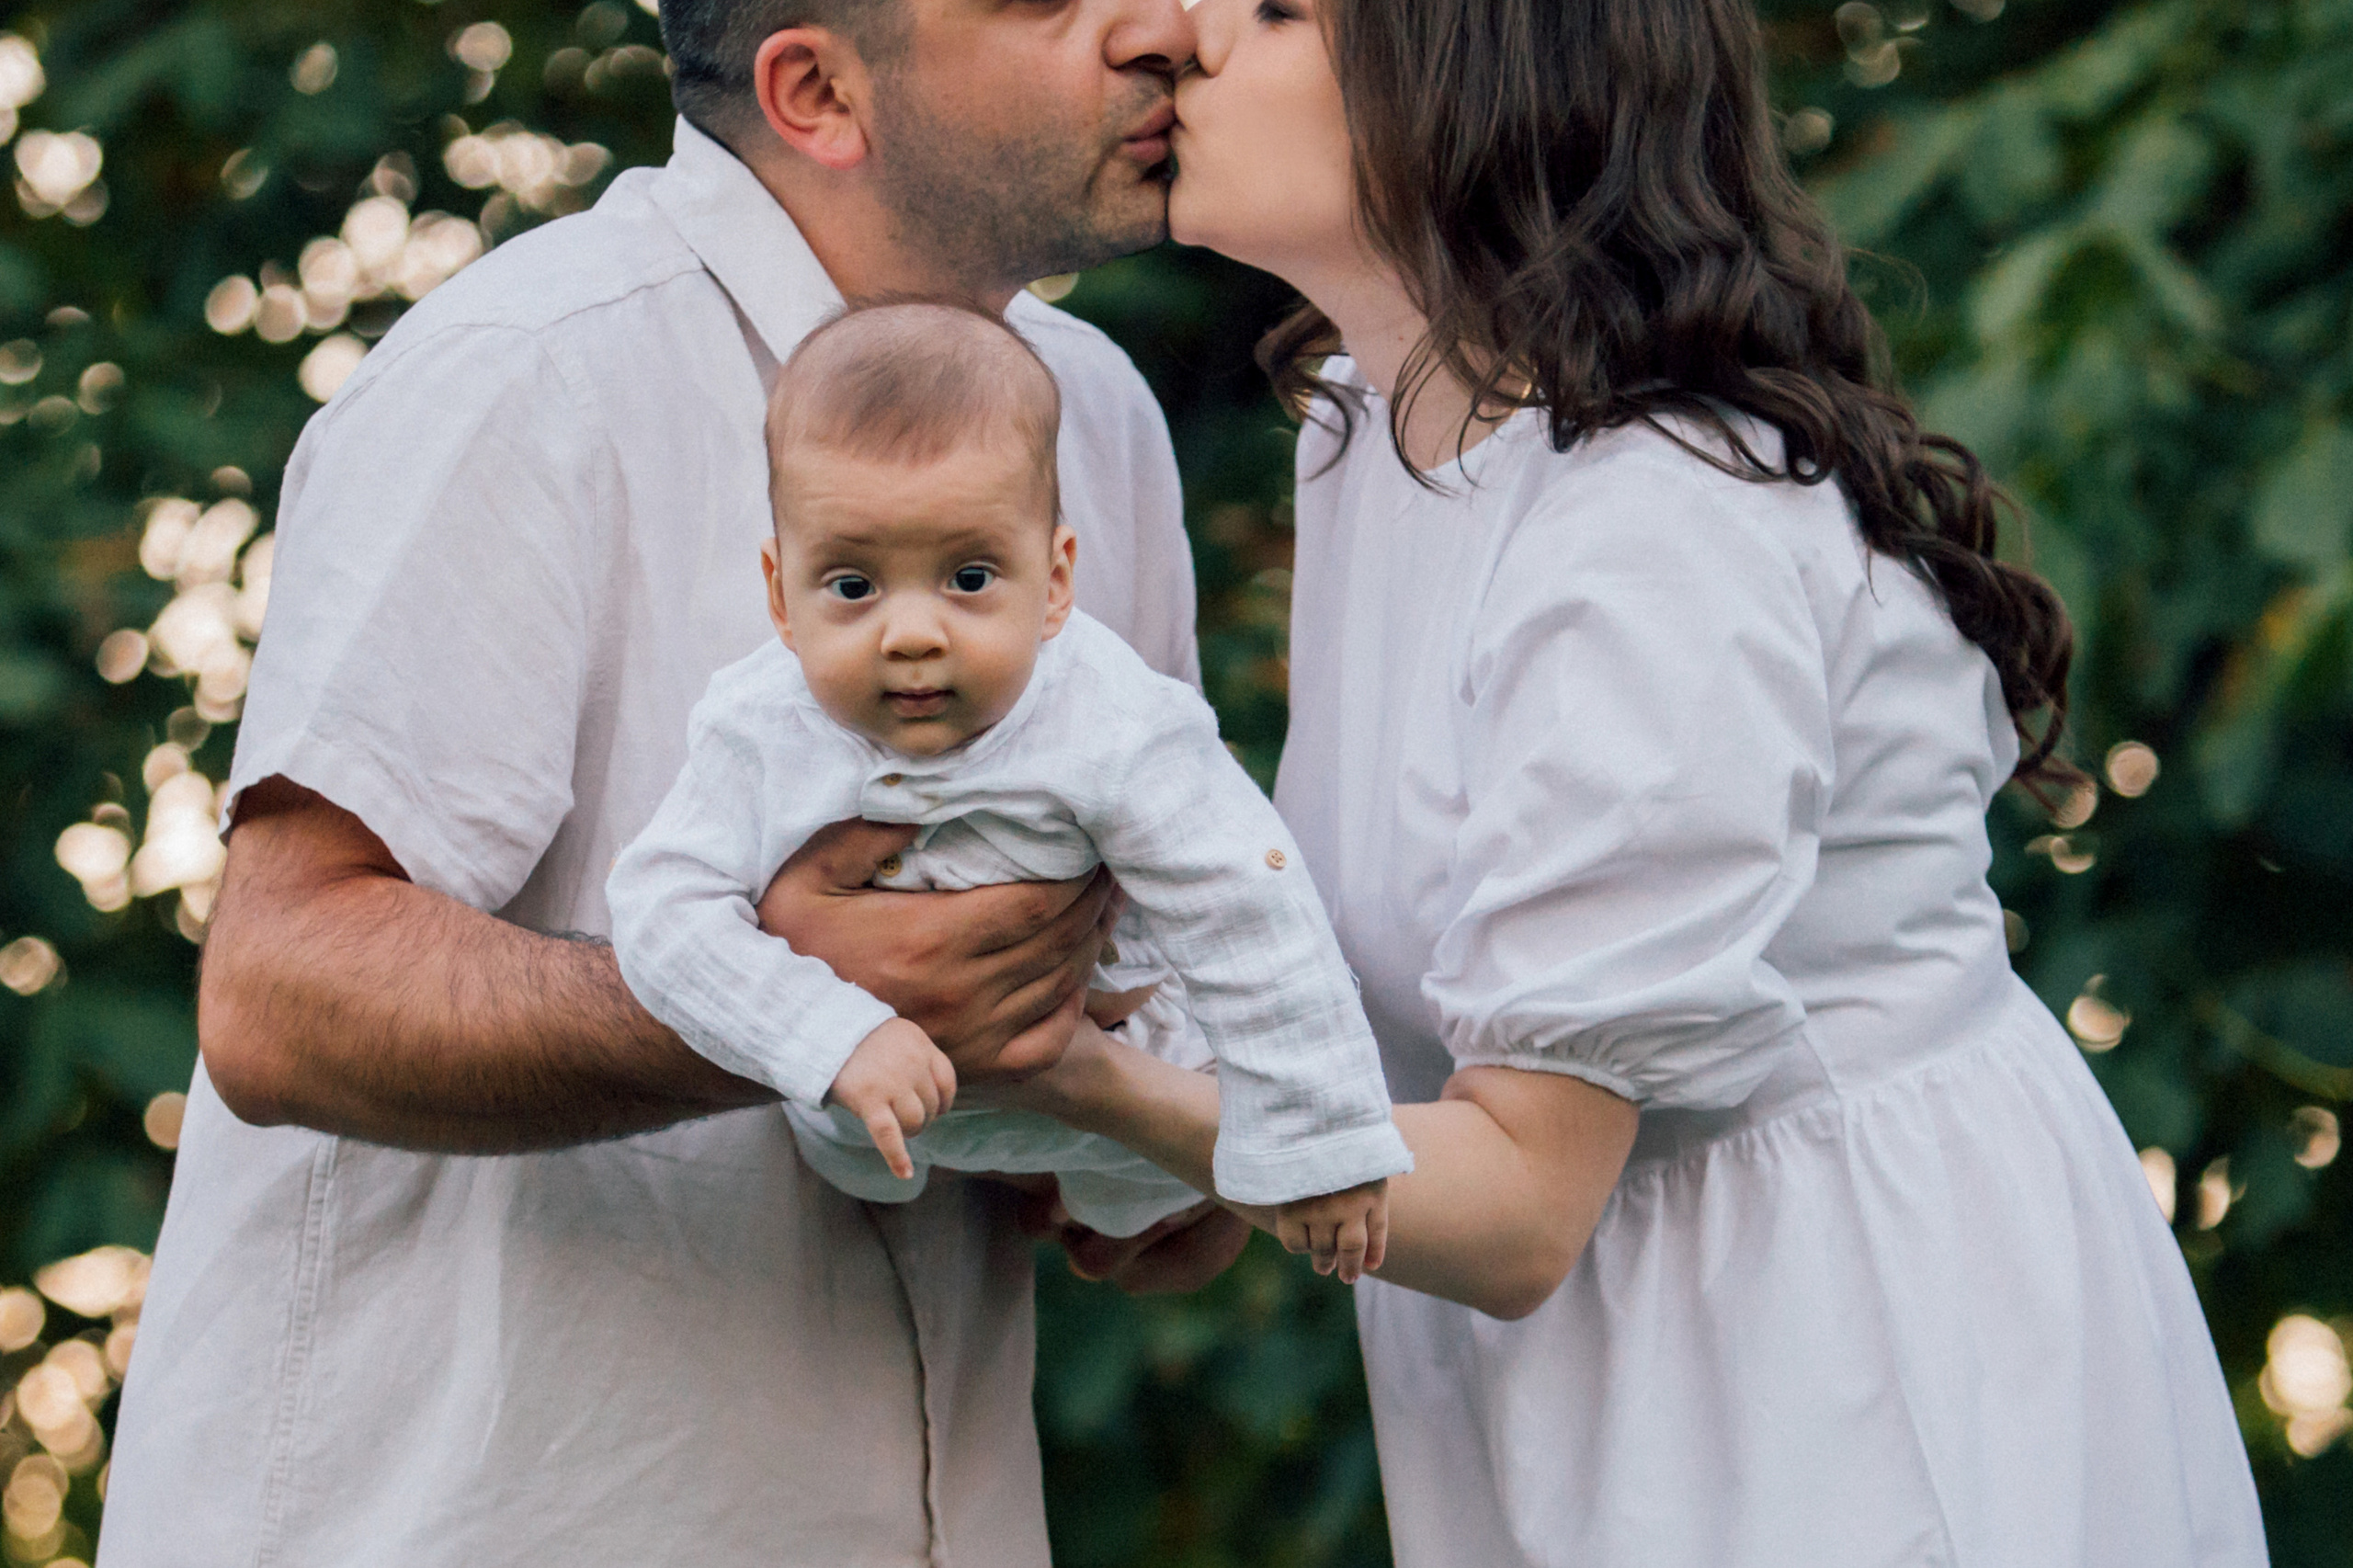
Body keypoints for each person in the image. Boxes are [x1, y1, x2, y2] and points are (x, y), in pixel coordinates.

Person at [1012, 0, 2272, 1562]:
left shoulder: (1655, 526)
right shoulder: (1370, 433)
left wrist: (1075, 1078)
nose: (1176, 32)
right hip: (1593, 1368)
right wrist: (1183, 1144)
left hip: (1825, 1363)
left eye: (1277, 10)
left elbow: (1528, 1199)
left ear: (1475, 74)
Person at [98, 2, 1245, 1563]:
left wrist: (1169, 1148)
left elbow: (1100, 1032)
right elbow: (282, 988)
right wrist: (792, 1008)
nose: (1158, 24)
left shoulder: (1096, 418)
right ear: (818, 90)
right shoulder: (530, 374)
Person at [608, 299, 1407, 1265]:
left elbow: (1244, 894)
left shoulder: (1108, 713)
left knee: (1145, 1188)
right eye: (853, 586)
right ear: (781, 596)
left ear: (1056, 578)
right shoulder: (759, 724)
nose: (911, 632)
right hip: (872, 1116)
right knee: (846, 1154)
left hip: (1113, 1074)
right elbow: (659, 907)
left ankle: (1108, 1192)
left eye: (971, 577)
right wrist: (830, 1036)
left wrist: (1321, 1135)